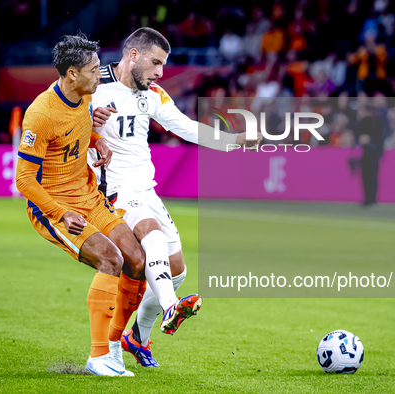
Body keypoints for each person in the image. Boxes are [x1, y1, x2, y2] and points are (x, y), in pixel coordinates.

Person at [90, 27, 260, 367]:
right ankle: (171, 305)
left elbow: (187, 126)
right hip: (114, 189)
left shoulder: (152, 93)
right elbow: (62, 117)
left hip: (146, 188)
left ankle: (137, 335)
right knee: (151, 233)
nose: (160, 73)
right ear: (133, 55)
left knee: (177, 268)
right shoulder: (93, 85)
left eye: (163, 66)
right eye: (156, 63)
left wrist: (233, 140)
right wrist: (87, 123)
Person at [15, 33, 147, 377]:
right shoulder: (41, 114)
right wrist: (60, 213)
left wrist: (99, 141)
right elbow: (24, 180)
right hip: (56, 208)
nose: (99, 73)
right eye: (92, 69)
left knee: (137, 260)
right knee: (111, 259)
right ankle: (98, 356)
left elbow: (80, 131)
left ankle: (115, 345)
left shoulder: (85, 96)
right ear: (72, 73)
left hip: (89, 197)